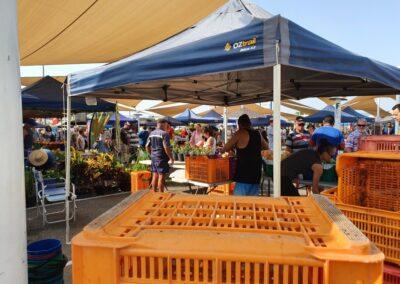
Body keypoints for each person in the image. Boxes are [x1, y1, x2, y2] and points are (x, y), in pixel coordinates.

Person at [222, 114, 268, 196]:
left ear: (239, 124)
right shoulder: (258, 133)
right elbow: (266, 146)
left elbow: (225, 148)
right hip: (256, 173)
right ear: (250, 123)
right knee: (252, 204)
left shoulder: (240, 133)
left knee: (239, 204)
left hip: (244, 174)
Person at [146, 118, 174, 192]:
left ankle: (154, 193)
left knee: (155, 175)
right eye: (166, 125)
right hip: (161, 157)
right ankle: (160, 195)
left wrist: (150, 154)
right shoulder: (164, 134)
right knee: (161, 176)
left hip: (154, 157)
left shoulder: (151, 133)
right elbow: (166, 147)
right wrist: (171, 158)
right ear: (163, 124)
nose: (167, 126)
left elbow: (147, 146)